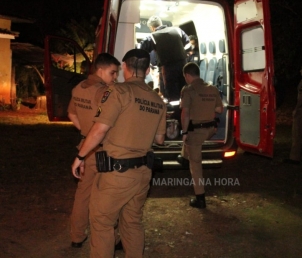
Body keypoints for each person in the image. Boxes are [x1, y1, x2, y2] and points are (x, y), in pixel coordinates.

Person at [71, 49, 166, 257]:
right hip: (143, 173)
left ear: (125, 67)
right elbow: (160, 139)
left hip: (117, 172)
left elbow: (99, 129)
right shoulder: (157, 100)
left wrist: (80, 157)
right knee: (132, 222)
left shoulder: (118, 92)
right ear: (148, 70)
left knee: (102, 222)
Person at [67, 53, 120, 248]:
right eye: (112, 73)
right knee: (109, 197)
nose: (115, 77)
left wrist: (85, 132)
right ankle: (111, 239)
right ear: (100, 69)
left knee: (83, 194)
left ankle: (77, 236)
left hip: (85, 149)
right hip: (102, 150)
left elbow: (71, 112)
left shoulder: (78, 88)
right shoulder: (105, 92)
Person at [177, 62, 223, 208]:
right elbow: (220, 110)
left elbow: (185, 113)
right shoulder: (212, 88)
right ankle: (184, 156)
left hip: (196, 132)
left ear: (188, 75)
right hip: (211, 130)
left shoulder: (188, 90)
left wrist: (183, 132)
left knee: (195, 163)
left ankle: (200, 198)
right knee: (190, 140)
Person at [139, 15, 190, 101]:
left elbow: (141, 49)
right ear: (161, 23)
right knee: (184, 89)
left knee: (171, 93)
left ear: (152, 28)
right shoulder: (177, 30)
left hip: (167, 69)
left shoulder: (152, 36)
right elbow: (189, 45)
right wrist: (182, 54)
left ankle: (173, 111)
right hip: (183, 66)